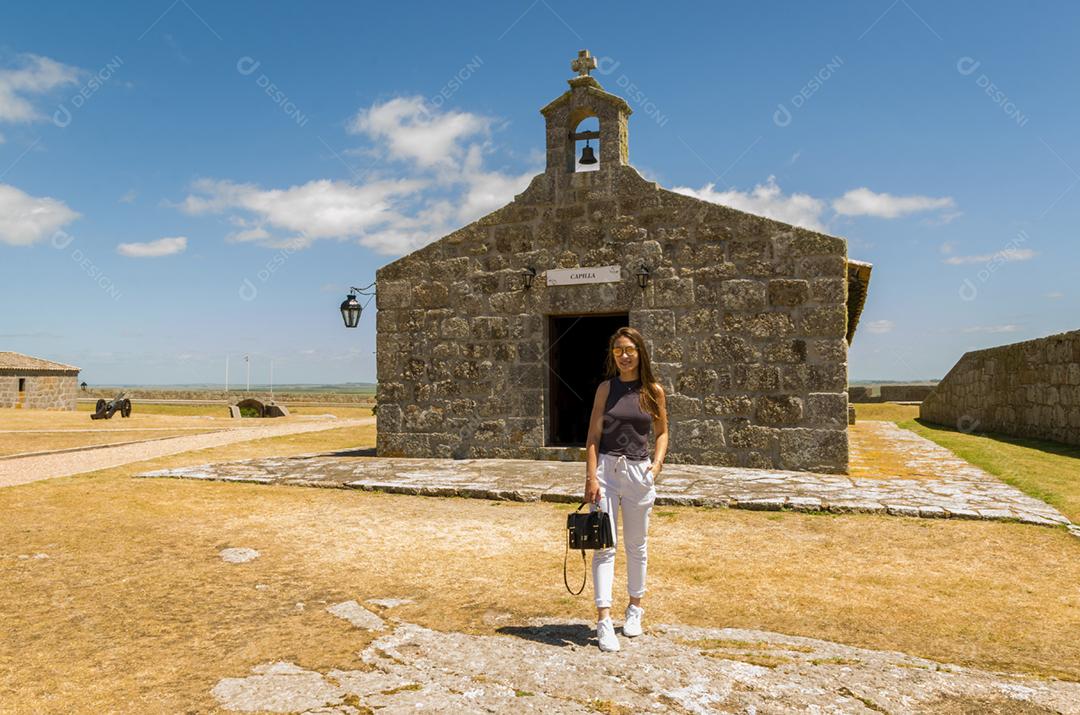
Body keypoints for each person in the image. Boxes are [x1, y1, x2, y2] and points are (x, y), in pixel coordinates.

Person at [584, 326, 668, 652]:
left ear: (640, 352)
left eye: (629, 349)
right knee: (604, 546)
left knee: (637, 546)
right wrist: (591, 477)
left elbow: (662, 433)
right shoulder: (606, 389)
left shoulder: (653, 391)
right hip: (606, 470)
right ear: (613, 354)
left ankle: (634, 609)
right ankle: (603, 620)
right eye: (618, 349)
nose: (624, 355)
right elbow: (592, 437)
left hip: (638, 472)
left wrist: (656, 465)